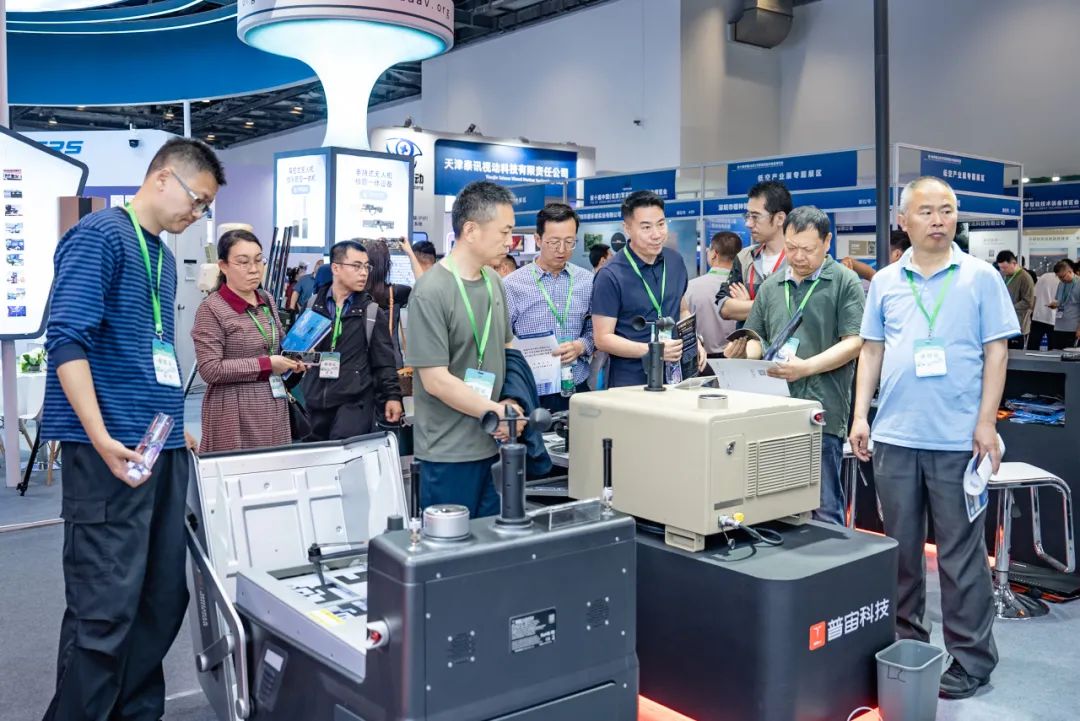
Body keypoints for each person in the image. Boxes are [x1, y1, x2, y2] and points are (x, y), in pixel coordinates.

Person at [40, 138, 225, 721]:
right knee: (104, 609)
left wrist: (173, 429)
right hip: (108, 453)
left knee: (161, 599)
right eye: (197, 200)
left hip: (159, 449)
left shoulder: (163, 258)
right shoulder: (98, 236)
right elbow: (66, 341)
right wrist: (98, 436)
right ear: (163, 178)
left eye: (205, 207)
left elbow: (150, 353)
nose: (197, 214)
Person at [850, 176, 1019, 700]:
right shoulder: (885, 281)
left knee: (960, 557)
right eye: (926, 211)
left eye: (947, 210)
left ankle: (971, 660)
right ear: (904, 220)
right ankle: (908, 649)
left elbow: (997, 352)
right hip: (895, 437)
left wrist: (986, 422)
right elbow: (871, 350)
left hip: (957, 440)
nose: (939, 220)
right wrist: (860, 416)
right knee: (901, 553)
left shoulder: (980, 277)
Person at [724, 207, 864, 524]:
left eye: (808, 249)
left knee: (824, 506)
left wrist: (806, 368)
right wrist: (743, 352)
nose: (798, 257)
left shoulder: (844, 282)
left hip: (822, 408)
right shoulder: (772, 286)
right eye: (791, 247)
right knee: (774, 504)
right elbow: (757, 338)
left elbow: (854, 342)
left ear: (827, 242)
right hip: (774, 409)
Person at [406, 181, 522, 517]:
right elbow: (435, 380)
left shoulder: (494, 281)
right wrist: (494, 411)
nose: (510, 241)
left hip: (493, 444)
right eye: (504, 231)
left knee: (493, 542)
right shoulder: (430, 291)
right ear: (470, 230)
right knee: (449, 545)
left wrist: (511, 401)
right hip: (448, 452)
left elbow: (507, 348)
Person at [192, 229, 304, 453]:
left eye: (258, 260)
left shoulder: (266, 299)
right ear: (223, 266)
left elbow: (278, 343)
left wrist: (295, 359)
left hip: (274, 403)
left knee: (276, 467)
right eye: (243, 262)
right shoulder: (211, 308)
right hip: (233, 409)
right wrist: (267, 364)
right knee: (239, 469)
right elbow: (210, 369)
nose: (254, 269)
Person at [592, 190, 706, 387]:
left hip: (675, 375)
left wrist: (693, 341)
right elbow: (602, 339)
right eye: (646, 227)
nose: (656, 234)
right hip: (631, 381)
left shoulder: (675, 261)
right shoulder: (610, 275)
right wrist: (653, 350)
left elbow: (682, 309)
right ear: (627, 228)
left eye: (661, 224)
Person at [300, 240, 403, 440]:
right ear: (336, 268)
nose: (364, 273)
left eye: (366, 267)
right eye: (356, 266)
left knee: (345, 454)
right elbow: (296, 353)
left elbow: (384, 362)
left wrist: (392, 396)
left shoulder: (371, 312)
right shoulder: (312, 306)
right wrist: (303, 357)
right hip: (316, 403)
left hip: (354, 404)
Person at [504, 203, 593, 412]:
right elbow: (501, 339)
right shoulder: (512, 285)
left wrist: (581, 346)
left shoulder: (587, 281)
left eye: (569, 242)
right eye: (554, 242)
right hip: (530, 389)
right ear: (538, 239)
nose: (562, 249)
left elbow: (594, 329)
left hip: (576, 386)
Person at [716, 180, 791, 322]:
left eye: (755, 217)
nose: (748, 223)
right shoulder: (744, 258)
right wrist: (771, 306)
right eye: (748, 216)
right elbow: (724, 309)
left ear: (780, 218)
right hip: (749, 336)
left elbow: (798, 310)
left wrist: (746, 304)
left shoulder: (800, 259)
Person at [685, 231, 741, 357]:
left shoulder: (690, 287)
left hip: (702, 358)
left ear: (714, 254)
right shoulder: (743, 288)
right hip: (737, 359)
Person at [994, 250, 1035, 349]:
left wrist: (1010, 308)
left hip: (1017, 325)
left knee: (1014, 354)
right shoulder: (1002, 276)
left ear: (1014, 263)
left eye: (1005, 267)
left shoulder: (1025, 278)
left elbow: (1028, 302)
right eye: (1000, 267)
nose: (1002, 270)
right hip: (1002, 325)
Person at [840, 229, 912, 281]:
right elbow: (869, 273)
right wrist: (849, 261)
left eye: (882, 254)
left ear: (896, 255)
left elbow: (871, 274)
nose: (879, 259)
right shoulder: (908, 279)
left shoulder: (893, 282)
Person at [1048, 258, 1080, 349]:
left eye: (1062, 276)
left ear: (1070, 271)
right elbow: (1060, 301)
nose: (1061, 279)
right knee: (1056, 353)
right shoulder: (1061, 284)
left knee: (1071, 355)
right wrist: (1055, 304)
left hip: (1073, 328)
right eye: (1058, 277)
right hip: (1059, 327)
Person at [1028, 267, 1061, 350]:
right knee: (1053, 349)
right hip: (1055, 319)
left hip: (1038, 315)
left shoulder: (1044, 276)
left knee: (1033, 347)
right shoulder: (1065, 281)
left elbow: (1034, 296)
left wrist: (1032, 312)